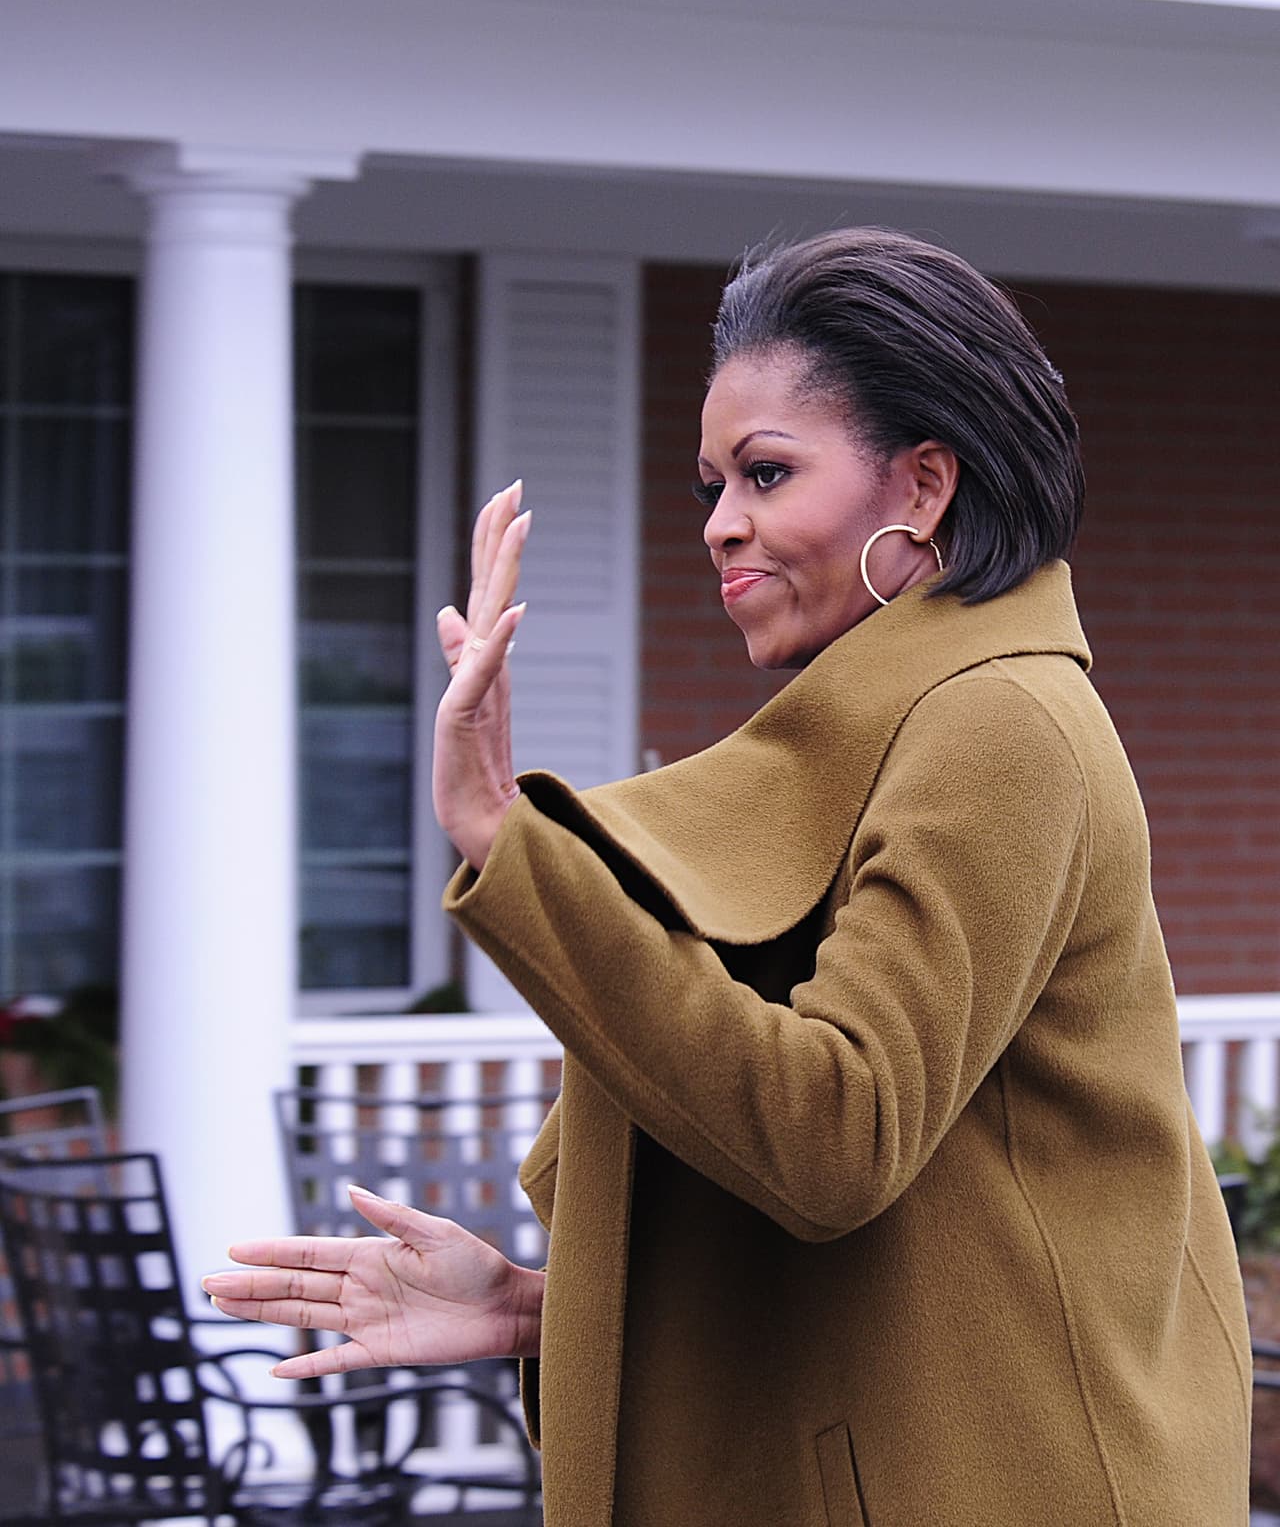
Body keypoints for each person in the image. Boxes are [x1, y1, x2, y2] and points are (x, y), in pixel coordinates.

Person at [203, 229, 1251, 1526]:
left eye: (766, 473)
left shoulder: (997, 726)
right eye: (710, 482)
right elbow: (860, 1202)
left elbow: (834, 1138)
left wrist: (514, 851)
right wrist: (545, 1309)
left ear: (922, 487)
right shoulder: (902, 725)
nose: (720, 526)